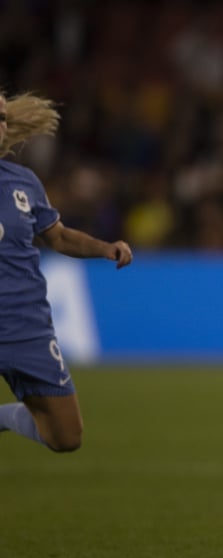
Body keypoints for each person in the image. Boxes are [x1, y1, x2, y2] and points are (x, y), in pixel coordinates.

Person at [0, 91, 133, 452]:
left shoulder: (22, 183)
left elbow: (58, 237)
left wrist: (105, 248)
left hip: (27, 326)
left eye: (2, 118)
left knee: (66, 437)